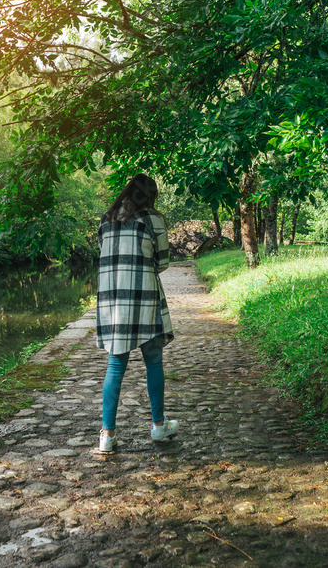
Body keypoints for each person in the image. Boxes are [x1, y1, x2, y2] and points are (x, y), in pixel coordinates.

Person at [96, 173, 178, 453]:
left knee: (115, 366)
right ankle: (158, 426)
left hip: (111, 301)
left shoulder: (107, 218)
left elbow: (104, 253)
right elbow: (163, 262)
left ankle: (107, 434)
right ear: (151, 196)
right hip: (144, 297)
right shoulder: (153, 219)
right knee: (153, 361)